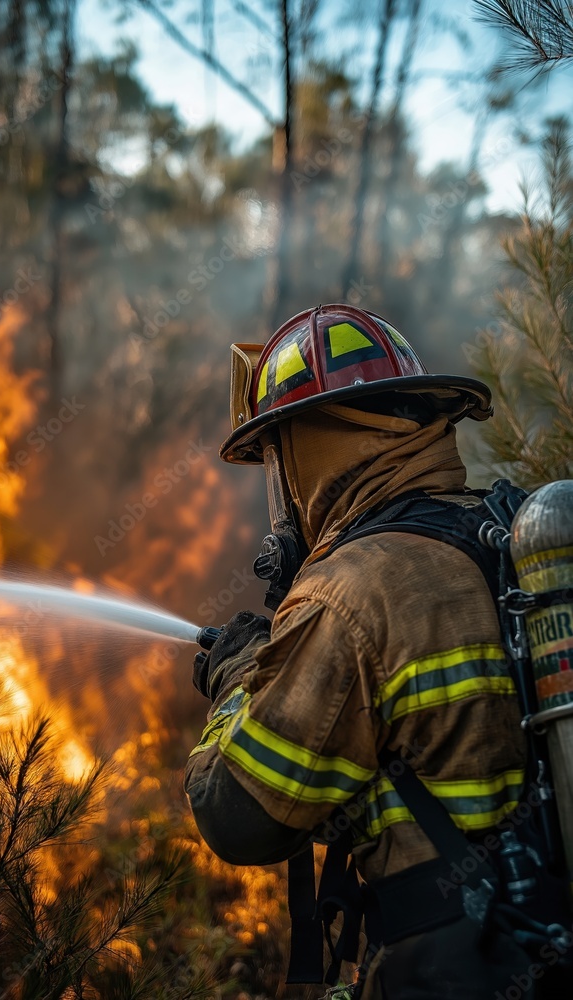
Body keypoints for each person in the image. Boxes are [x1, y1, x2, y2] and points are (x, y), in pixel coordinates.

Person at [184, 304, 556, 998]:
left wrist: (237, 677)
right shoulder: (506, 534)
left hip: (448, 970)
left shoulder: (348, 591)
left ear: (313, 450)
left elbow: (239, 817)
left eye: (278, 458)